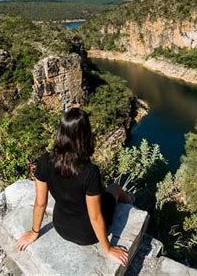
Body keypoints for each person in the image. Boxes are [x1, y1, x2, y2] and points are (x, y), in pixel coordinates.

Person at [15, 108, 135, 267]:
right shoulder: (90, 171)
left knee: (101, 193)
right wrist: (108, 249)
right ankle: (131, 203)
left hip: (61, 226)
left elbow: (40, 203)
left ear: (61, 133)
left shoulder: (44, 161)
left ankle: (126, 201)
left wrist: (34, 232)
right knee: (114, 188)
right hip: (88, 235)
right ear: (85, 136)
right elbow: (96, 217)